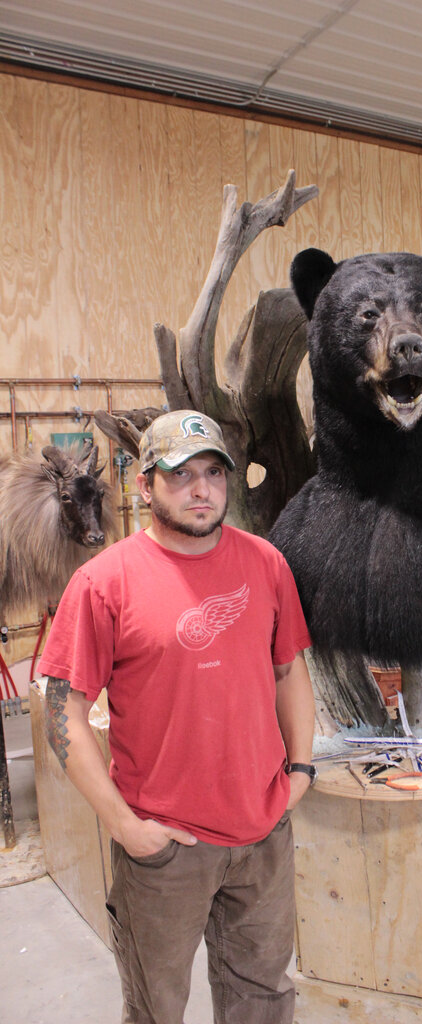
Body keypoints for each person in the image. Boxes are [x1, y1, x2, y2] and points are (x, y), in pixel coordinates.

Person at [39, 409, 317, 1024]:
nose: (202, 489)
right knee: (156, 1008)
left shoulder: (266, 564)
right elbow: (63, 708)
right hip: (165, 849)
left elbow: (289, 670)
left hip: (263, 834)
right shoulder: (102, 583)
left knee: (265, 997)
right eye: (181, 474)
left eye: (214, 473)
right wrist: (123, 825)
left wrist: (300, 770)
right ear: (145, 486)